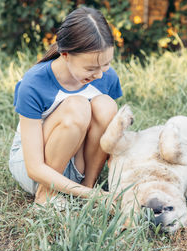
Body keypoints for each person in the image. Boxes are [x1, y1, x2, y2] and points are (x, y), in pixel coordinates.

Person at [8, 7, 122, 206]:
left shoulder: (107, 77)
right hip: (37, 167)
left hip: (79, 160)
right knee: (77, 107)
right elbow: (33, 167)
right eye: (91, 68)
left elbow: (108, 136)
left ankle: (89, 185)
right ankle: (46, 195)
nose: (100, 75)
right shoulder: (34, 83)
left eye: (105, 64)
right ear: (66, 54)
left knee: (106, 105)